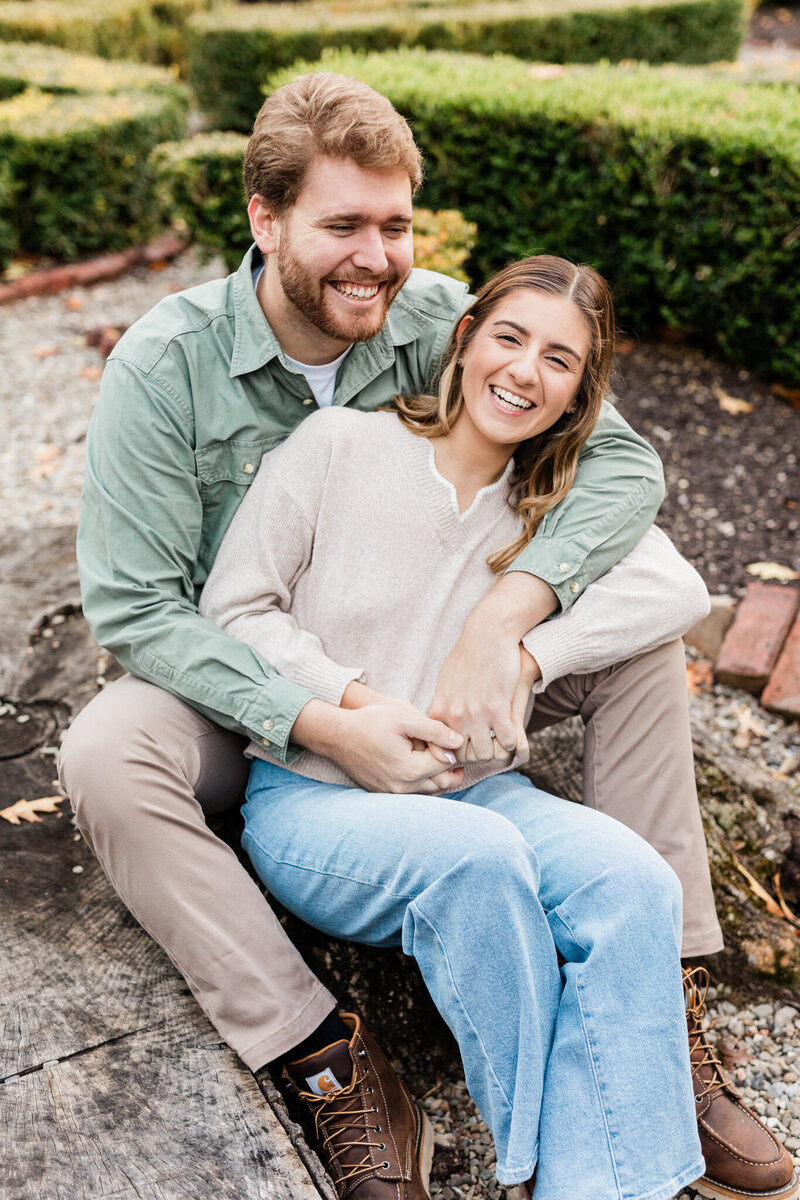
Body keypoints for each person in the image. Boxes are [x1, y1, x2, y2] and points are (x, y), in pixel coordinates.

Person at [56, 72, 797, 1200]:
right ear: (264, 222)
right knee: (105, 754)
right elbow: (140, 610)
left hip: (448, 692)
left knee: (639, 647)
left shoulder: (442, 320)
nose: (375, 256)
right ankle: (326, 1057)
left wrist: (510, 623)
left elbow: (622, 464)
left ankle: (657, 1017)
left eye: (394, 225)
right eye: (342, 225)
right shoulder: (170, 368)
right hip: (237, 686)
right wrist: (326, 718)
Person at [197, 254, 703, 1200]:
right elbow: (237, 611)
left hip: (478, 793)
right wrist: (355, 705)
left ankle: (598, 1188)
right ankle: (536, 1163)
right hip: (313, 796)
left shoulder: (551, 512)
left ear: (577, 396)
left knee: (633, 880)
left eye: (560, 360)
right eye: (509, 337)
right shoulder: (339, 445)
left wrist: (518, 647)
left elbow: (678, 588)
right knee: (476, 859)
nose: (525, 371)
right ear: (465, 341)